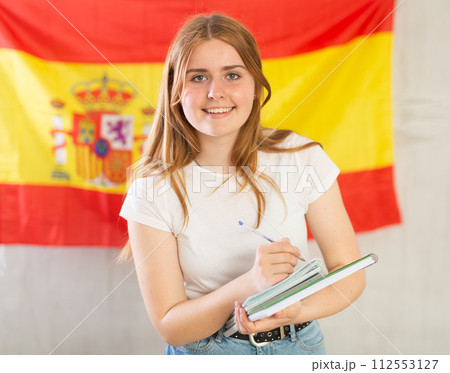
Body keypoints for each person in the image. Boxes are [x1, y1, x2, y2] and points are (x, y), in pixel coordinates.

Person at [118, 13, 366, 355]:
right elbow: (171, 326)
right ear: (176, 90)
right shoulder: (151, 187)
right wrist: (250, 285)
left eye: (232, 75)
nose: (215, 92)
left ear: (254, 85)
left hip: (299, 345)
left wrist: (295, 311)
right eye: (198, 77)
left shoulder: (302, 157)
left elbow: (349, 273)